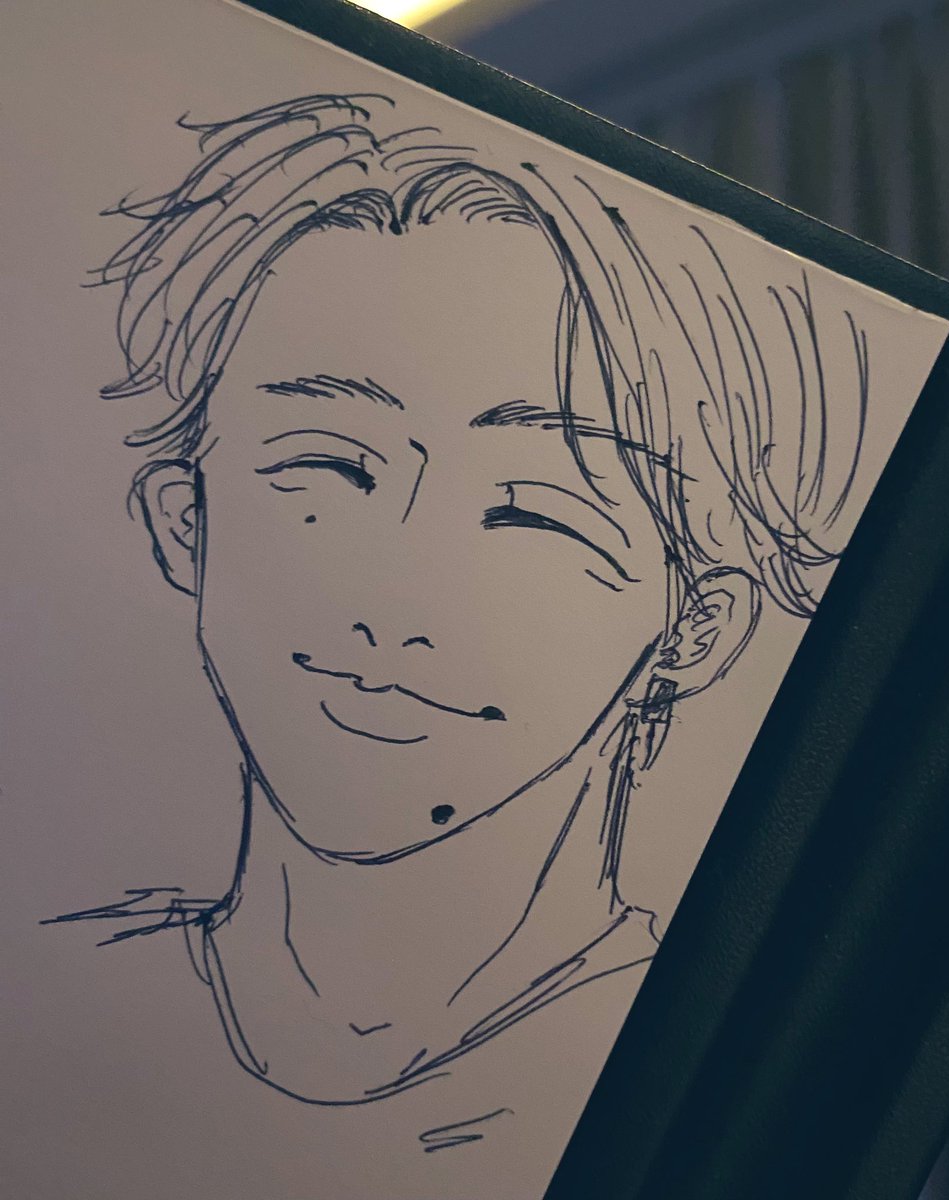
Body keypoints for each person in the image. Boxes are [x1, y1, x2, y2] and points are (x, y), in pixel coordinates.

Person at [49, 92, 868, 1109]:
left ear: (696, 629)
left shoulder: (712, 1098)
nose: (394, 606)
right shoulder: (50, 1002)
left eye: (536, 512)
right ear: (186, 521)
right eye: (327, 468)